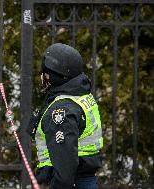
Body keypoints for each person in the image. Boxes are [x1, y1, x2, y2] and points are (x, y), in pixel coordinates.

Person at [27, 43, 103, 189]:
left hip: (72, 183)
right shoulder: (78, 94)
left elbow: (65, 171)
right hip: (85, 179)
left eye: (45, 73)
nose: (42, 76)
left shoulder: (61, 112)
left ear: (55, 76)